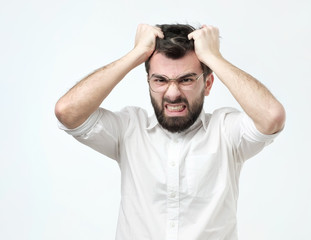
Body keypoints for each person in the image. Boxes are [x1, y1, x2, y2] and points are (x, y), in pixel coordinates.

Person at [55, 23, 286, 240]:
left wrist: (213, 58)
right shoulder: (129, 129)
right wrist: (135, 54)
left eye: (186, 79)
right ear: (148, 82)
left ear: (207, 84)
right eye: (160, 80)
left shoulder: (226, 131)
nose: (172, 93)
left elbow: (271, 117)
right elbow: (67, 112)